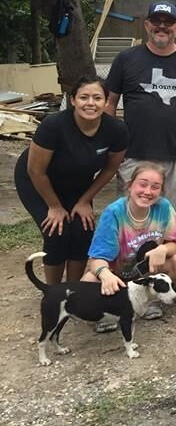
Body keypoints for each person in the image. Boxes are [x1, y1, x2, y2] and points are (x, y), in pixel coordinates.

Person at [105, 0, 176, 219]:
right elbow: (109, 102)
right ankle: (128, 254)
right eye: (157, 21)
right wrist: (110, 142)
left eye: (168, 22)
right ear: (147, 25)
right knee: (129, 213)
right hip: (134, 153)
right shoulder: (126, 59)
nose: (162, 27)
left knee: (171, 216)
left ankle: (169, 253)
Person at [15, 77, 128, 284]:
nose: (90, 103)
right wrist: (54, 206)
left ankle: (74, 291)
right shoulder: (54, 125)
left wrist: (85, 200)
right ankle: (54, 292)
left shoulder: (116, 130)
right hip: (37, 181)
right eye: (84, 97)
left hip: (77, 184)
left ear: (106, 102)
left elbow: (110, 168)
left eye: (97, 98)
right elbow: (35, 170)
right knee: (57, 231)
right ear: (73, 100)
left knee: (83, 230)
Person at [84, 162, 176, 327]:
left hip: (146, 274)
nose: (148, 191)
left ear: (161, 191)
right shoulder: (114, 212)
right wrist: (105, 274)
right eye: (142, 184)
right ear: (129, 186)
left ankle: (150, 301)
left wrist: (163, 248)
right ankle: (108, 311)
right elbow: (96, 259)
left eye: (155, 187)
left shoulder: (163, 207)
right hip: (117, 274)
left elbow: (175, 244)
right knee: (88, 283)